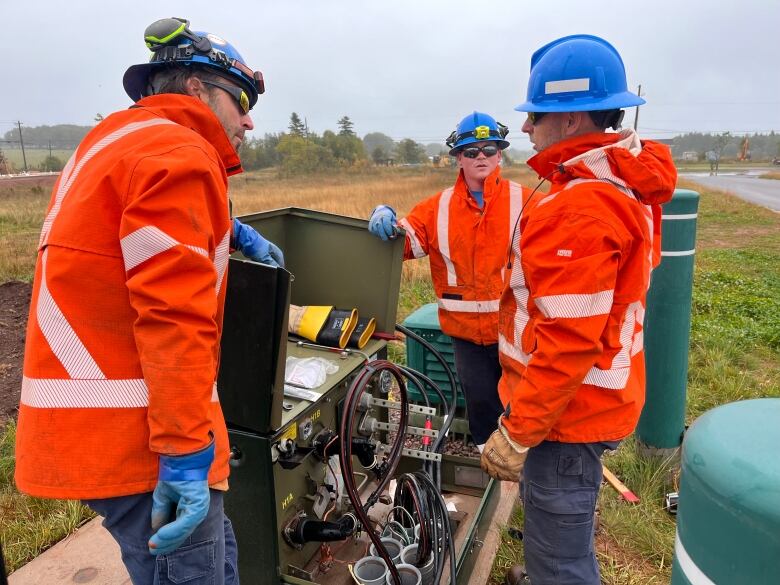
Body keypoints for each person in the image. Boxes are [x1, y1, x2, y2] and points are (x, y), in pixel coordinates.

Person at [14, 17, 279, 584]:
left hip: (97, 424)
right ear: (195, 90)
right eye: (240, 100)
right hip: (145, 440)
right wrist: (185, 455)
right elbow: (173, 315)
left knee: (214, 556)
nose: (248, 120)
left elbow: (126, 240)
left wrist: (228, 228)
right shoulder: (181, 153)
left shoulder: (114, 141)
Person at [478, 35, 677, 585]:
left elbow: (567, 342)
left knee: (560, 556)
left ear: (570, 120)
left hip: (566, 417)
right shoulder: (617, 182)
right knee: (555, 533)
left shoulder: (581, 208)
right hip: (584, 405)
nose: (525, 129)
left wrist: (519, 432)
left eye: (536, 114)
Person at [368, 112, 531, 451]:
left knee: (523, 405)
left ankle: (526, 469)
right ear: (459, 158)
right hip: (467, 337)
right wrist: (385, 215)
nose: (481, 157)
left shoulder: (527, 201)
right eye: (471, 151)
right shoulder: (436, 208)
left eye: (488, 149)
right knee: (483, 408)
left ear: (500, 154)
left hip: (516, 332)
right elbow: (406, 242)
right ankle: (493, 472)